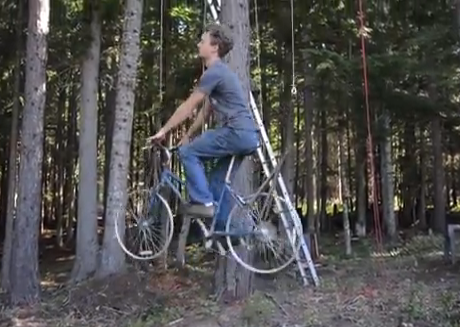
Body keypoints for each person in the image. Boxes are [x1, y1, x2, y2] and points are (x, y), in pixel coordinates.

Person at [148, 23, 259, 231]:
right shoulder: (219, 75)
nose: (199, 44)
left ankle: (203, 203)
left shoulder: (215, 72)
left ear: (214, 47)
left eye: (202, 40)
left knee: (188, 153)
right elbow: (204, 112)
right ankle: (227, 232)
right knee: (217, 182)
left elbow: (189, 106)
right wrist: (188, 135)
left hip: (236, 133)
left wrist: (163, 131)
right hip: (246, 137)